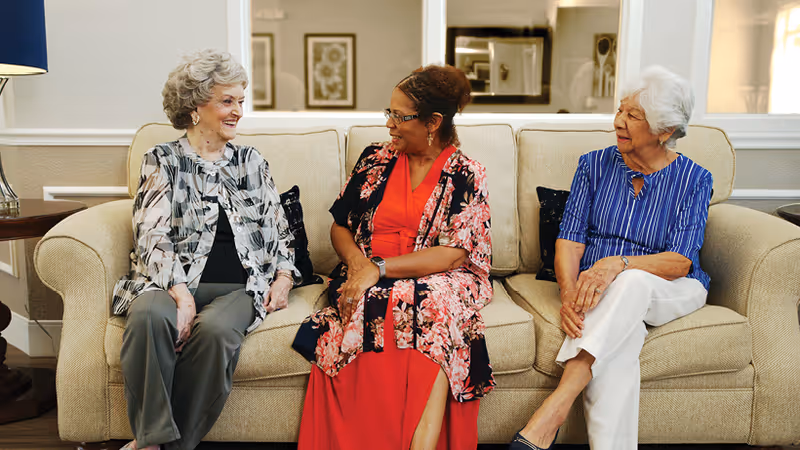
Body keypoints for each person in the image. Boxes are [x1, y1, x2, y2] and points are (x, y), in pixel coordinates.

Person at [292, 65, 496, 450]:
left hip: (439, 275)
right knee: (373, 303)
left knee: (427, 303)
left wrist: (380, 269)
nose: (389, 124)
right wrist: (358, 265)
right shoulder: (375, 160)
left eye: (399, 116)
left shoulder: (467, 174)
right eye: (389, 113)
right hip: (367, 269)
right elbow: (340, 226)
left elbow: (453, 254)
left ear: (433, 122)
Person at [511, 66, 713, 450]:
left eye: (634, 115)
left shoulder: (694, 179)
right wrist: (569, 294)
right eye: (620, 110)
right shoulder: (593, 165)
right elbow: (569, 240)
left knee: (632, 281)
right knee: (621, 346)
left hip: (671, 287)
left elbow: (680, 262)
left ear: (665, 131)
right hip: (604, 295)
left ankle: (555, 406)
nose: (619, 121)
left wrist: (617, 264)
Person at [111, 49, 299, 450]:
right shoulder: (162, 159)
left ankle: (171, 446)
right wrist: (180, 294)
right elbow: (151, 235)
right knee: (147, 316)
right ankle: (152, 440)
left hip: (238, 284)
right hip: (170, 280)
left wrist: (283, 279)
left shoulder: (251, 162)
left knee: (214, 332)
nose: (238, 112)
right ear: (196, 107)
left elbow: (282, 234)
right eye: (227, 101)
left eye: (241, 101)